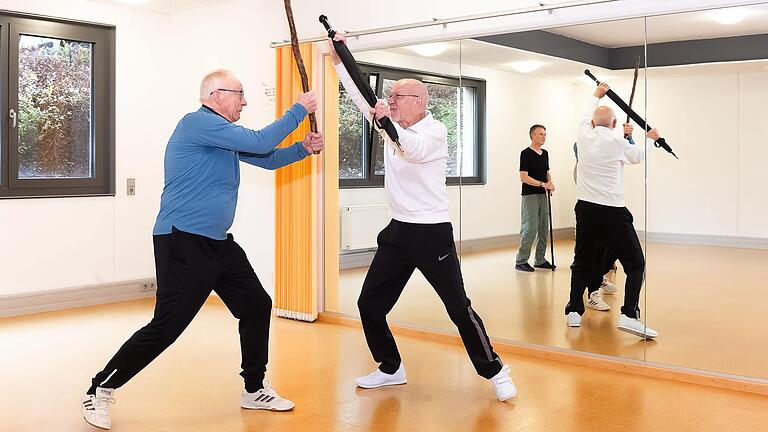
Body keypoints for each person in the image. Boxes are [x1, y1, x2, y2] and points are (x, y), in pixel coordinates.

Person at [80, 69, 324, 430]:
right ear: (215, 95)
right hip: (182, 240)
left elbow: (266, 157)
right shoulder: (196, 123)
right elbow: (259, 141)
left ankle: (254, 389)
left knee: (257, 304)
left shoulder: (222, 137)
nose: (244, 102)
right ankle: (98, 389)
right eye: (239, 94)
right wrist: (297, 111)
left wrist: (302, 149)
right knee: (167, 327)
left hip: (219, 243)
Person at [328, 35, 516, 402]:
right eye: (391, 96)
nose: (390, 101)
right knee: (370, 304)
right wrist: (340, 59)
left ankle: (495, 369)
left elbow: (410, 150)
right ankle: (390, 368)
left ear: (419, 101)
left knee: (458, 307)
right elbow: (358, 92)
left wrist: (386, 122)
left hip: (432, 233)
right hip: (398, 232)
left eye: (397, 97)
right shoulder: (389, 121)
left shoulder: (434, 131)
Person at [565, 82, 659, 339]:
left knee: (581, 259)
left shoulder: (583, 136)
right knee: (635, 263)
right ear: (615, 124)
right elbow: (638, 155)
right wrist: (651, 139)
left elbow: (586, 115)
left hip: (585, 209)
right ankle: (629, 314)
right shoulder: (618, 142)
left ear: (594, 124)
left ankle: (574, 310)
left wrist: (596, 94)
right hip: (612, 211)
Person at [515, 124, 556, 272]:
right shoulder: (525, 153)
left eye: (545, 134)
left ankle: (540, 259)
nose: (543, 136)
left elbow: (546, 172)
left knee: (543, 228)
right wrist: (542, 184)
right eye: (540, 134)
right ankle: (521, 260)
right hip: (530, 195)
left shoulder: (545, 153)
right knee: (530, 227)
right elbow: (523, 177)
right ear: (532, 135)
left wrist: (549, 183)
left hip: (542, 195)